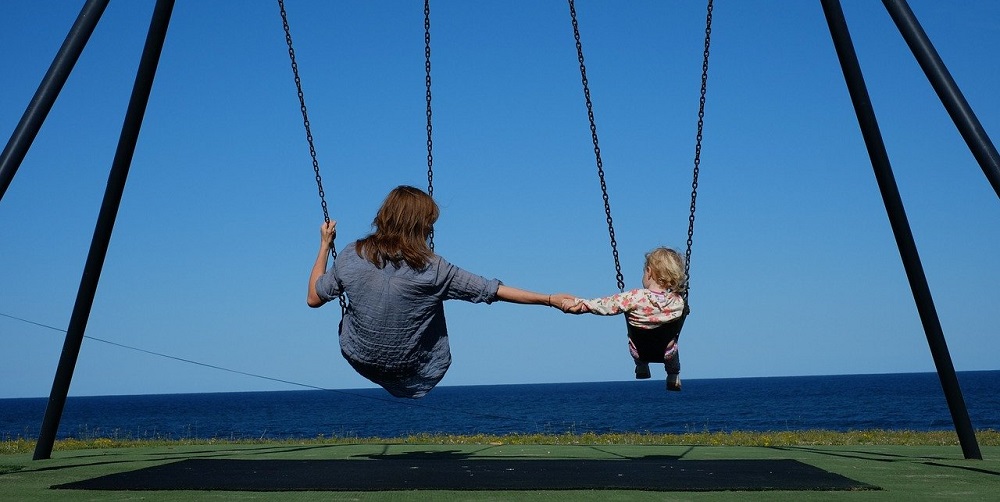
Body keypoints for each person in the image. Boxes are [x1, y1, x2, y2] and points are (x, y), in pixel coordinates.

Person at [307, 185, 579, 399]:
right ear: (419, 225)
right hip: (412, 365)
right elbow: (492, 291)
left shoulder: (351, 255)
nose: (431, 228)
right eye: (429, 223)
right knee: (433, 300)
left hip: (359, 355)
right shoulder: (434, 269)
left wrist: (324, 245)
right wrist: (550, 299)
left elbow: (314, 298)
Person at [566, 247, 686, 391]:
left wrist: (581, 304)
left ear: (648, 272)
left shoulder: (633, 297)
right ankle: (673, 376)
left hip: (639, 351)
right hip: (667, 352)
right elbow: (682, 306)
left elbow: (604, 305)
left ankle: (641, 366)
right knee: (672, 349)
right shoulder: (677, 301)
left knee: (636, 340)